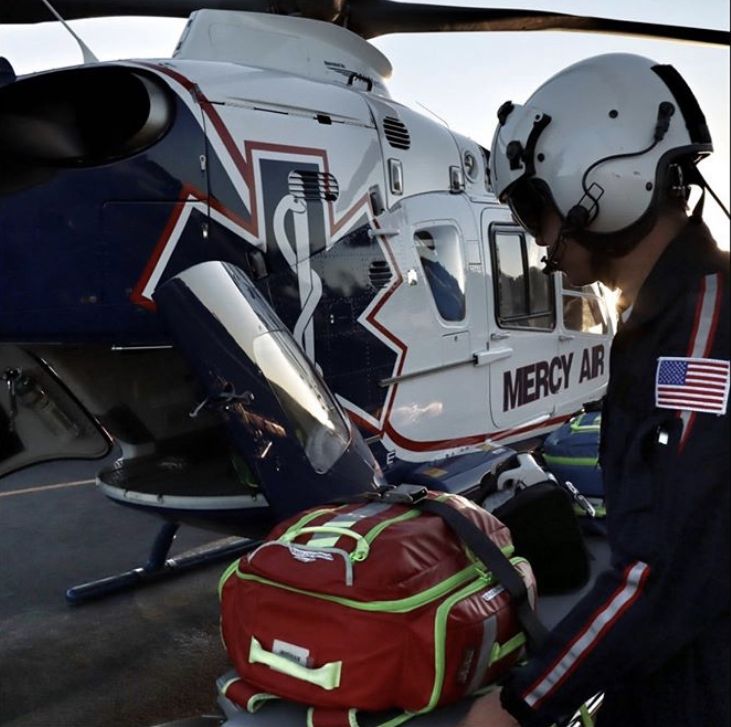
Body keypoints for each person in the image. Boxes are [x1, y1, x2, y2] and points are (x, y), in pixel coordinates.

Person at [460, 53, 729, 726]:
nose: (541, 244)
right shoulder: (673, 313)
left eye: (532, 208)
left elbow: (661, 569)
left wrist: (522, 703)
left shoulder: (701, 331)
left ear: (596, 184)